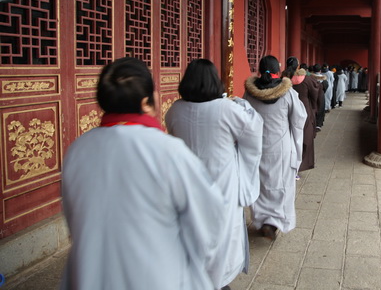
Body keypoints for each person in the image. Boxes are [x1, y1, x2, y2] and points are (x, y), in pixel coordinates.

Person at [61, 57, 225, 290]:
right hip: (156, 276)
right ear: (147, 101)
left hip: (88, 274)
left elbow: (74, 217)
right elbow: (208, 217)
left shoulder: (78, 150)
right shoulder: (168, 151)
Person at [165, 59, 263, 290]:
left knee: (191, 231)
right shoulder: (227, 109)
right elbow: (254, 132)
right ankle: (217, 281)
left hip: (187, 183)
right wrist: (244, 107)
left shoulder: (175, 110)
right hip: (222, 182)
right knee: (222, 233)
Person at [243, 55, 307, 240]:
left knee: (260, 185)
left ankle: (263, 220)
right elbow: (298, 121)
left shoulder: (249, 93)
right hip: (281, 147)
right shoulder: (288, 93)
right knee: (282, 186)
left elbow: (243, 118)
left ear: (260, 71)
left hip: (256, 147)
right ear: (278, 72)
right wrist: (296, 147)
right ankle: (276, 221)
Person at [282, 57, 320, 172]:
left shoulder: (282, 78)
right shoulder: (306, 79)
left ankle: (287, 164)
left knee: (289, 136)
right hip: (304, 109)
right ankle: (301, 164)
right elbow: (315, 95)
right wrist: (313, 107)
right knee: (304, 137)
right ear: (297, 66)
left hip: (285, 109)